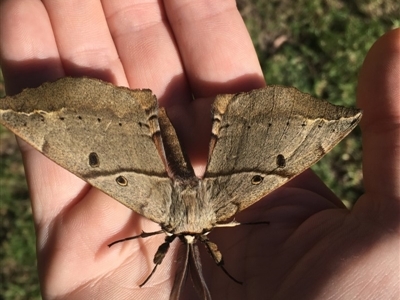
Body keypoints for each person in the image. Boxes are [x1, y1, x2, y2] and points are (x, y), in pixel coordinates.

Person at [1, 1, 398, 299]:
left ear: (169, 232)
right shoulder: (220, 212)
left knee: (73, 149)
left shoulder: (204, 217)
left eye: (177, 234)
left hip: (147, 166)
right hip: (191, 172)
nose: (189, 236)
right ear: (211, 231)